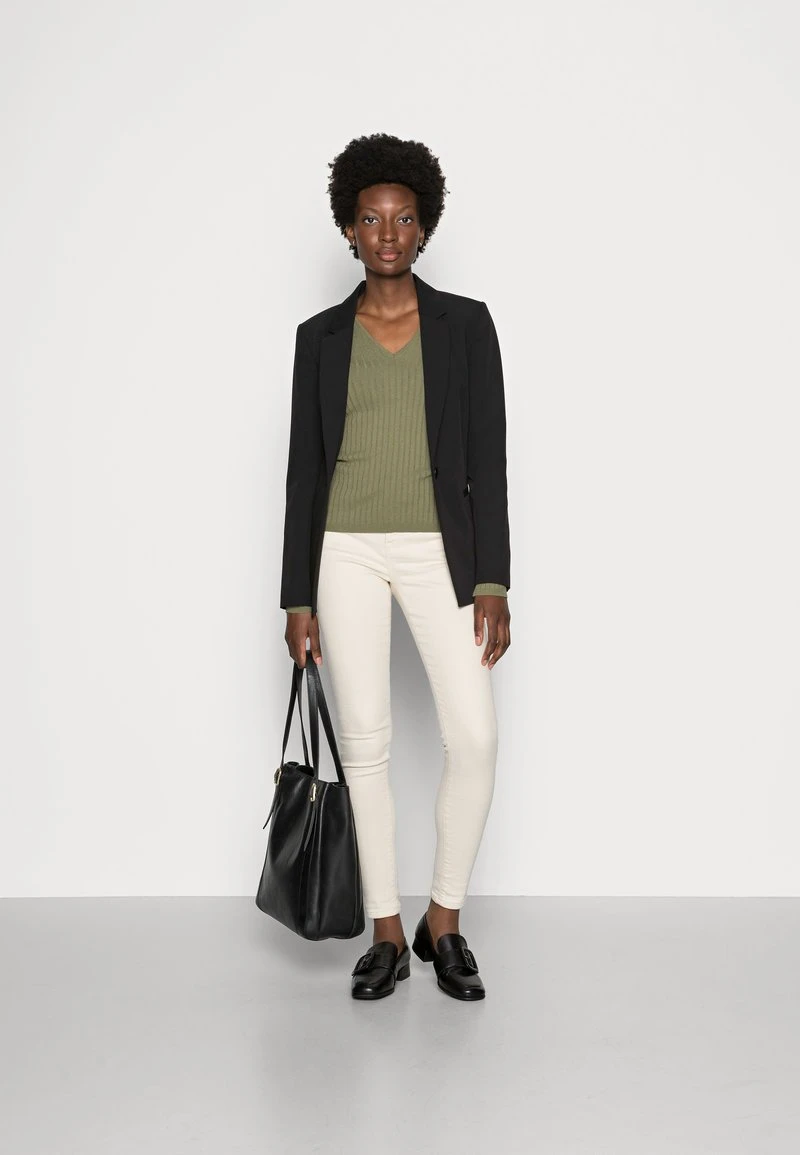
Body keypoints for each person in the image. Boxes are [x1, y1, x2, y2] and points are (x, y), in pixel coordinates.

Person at [279, 132, 511, 1002]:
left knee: (474, 735)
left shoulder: (466, 325)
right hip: (344, 550)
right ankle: (385, 931)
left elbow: (486, 461)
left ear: (424, 226)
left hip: (440, 552)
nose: (388, 233)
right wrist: (296, 597)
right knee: (366, 743)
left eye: (404, 218)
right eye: (372, 219)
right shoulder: (319, 337)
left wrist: (492, 581)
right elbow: (304, 473)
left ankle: (441, 920)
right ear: (349, 228)